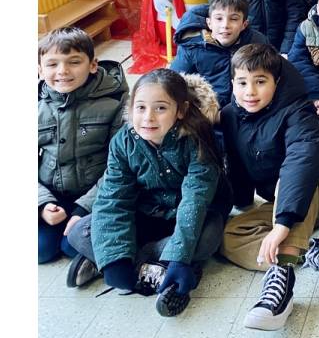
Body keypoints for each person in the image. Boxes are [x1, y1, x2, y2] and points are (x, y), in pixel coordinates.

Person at [65, 69, 225, 319]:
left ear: (180, 110)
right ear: (131, 109)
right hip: (146, 213)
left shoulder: (199, 139)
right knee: (79, 231)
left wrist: (179, 257)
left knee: (209, 238)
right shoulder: (123, 142)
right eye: (140, 108)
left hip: (191, 216)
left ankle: (146, 261)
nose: (148, 117)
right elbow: (113, 199)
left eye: (160, 108)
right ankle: (150, 266)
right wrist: (115, 262)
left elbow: (195, 200)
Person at [218, 44, 319, 330]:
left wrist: (281, 225)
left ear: (277, 82)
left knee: (293, 177)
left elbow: (302, 161)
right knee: (230, 236)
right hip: (288, 200)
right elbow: (236, 163)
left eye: (260, 82)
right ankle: (311, 253)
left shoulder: (298, 109)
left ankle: (281, 281)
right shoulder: (230, 115)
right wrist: (241, 200)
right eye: (242, 83)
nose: (250, 91)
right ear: (232, 84)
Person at [38, 27, 128, 264]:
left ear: (93, 65)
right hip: (52, 193)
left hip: (99, 193)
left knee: (73, 245)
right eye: (52, 64)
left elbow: (121, 166)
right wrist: (43, 204)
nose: (62, 71)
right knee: (41, 250)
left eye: (74, 62)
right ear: (39, 69)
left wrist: (83, 209)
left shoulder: (116, 102)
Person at [170, 0, 267, 108]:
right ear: (209, 23)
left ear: (244, 24)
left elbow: (272, 77)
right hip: (206, 109)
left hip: (248, 107)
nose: (225, 25)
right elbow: (173, 84)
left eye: (234, 19)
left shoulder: (257, 42)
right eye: (219, 18)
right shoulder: (191, 46)